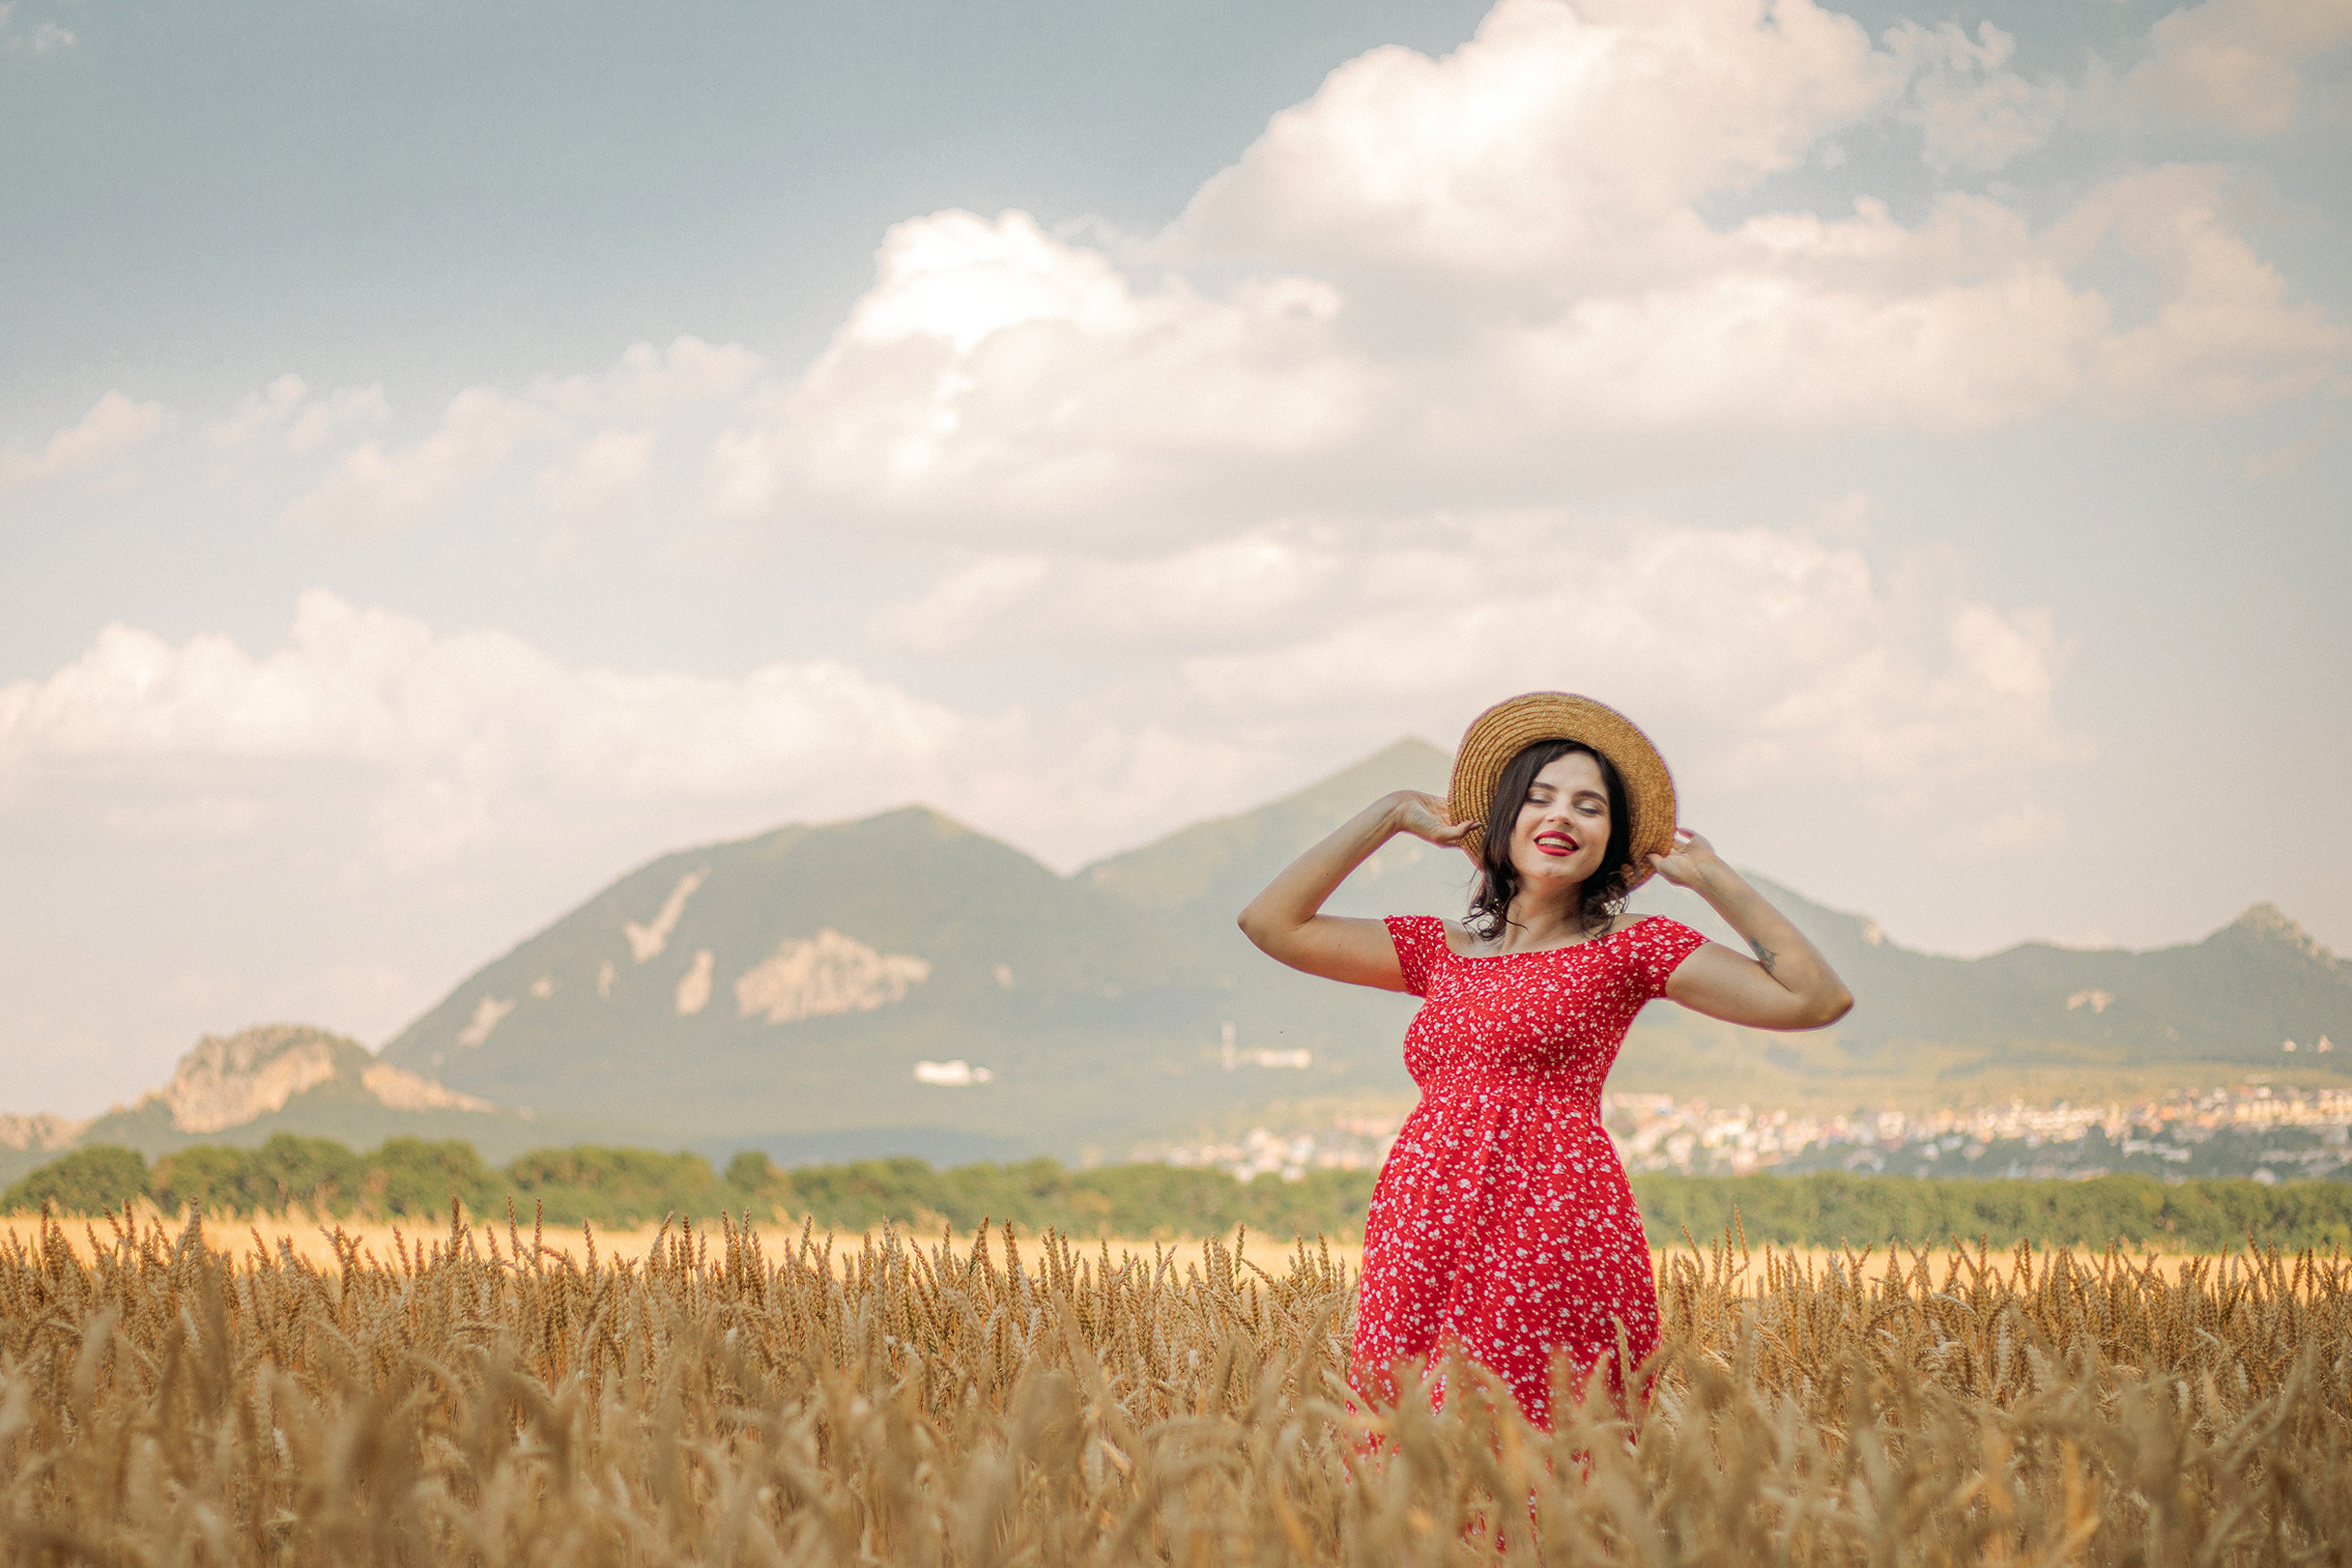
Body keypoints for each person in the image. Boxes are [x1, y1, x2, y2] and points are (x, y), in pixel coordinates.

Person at [1237, 692, 1852, 1429]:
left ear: (1614, 842)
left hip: (1549, 1225)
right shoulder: (1440, 952)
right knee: (1403, 1458)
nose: (1561, 816)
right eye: (1538, 797)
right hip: (1420, 1223)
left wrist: (1712, 876)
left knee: (1528, 1456)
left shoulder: (1628, 946)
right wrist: (1395, 809)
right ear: (1501, 821)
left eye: (1589, 807)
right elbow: (1270, 922)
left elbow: (1815, 998)